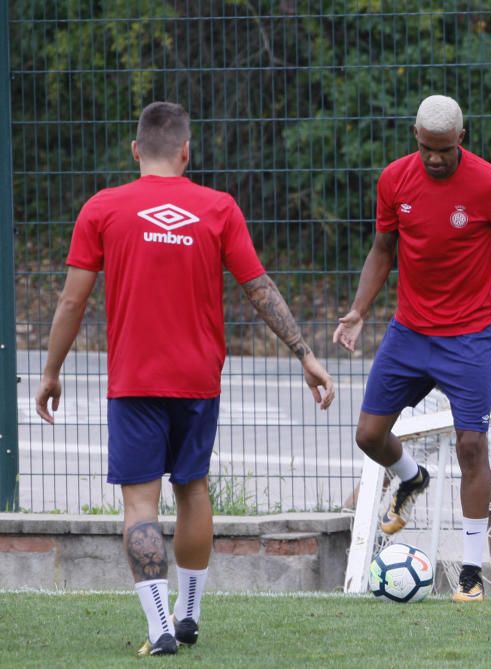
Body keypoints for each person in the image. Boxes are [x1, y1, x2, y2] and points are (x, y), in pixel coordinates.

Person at [34, 102, 335, 656]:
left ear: (135, 152)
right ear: (186, 152)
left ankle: (159, 628)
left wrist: (51, 372)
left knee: (140, 507)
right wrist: (305, 355)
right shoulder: (217, 207)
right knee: (192, 487)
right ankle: (188, 613)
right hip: (199, 378)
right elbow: (258, 287)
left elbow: (72, 299)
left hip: (134, 380)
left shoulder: (104, 208)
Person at [333, 95, 491, 602]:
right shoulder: (394, 180)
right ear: (416, 137)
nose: (435, 159)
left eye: (445, 150)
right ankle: (411, 479)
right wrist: (360, 310)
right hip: (409, 332)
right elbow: (382, 248)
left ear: (462, 140)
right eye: (427, 148)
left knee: (473, 447)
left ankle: (471, 574)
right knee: (369, 435)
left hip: (471, 336)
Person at [342, 257, 491, 562]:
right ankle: (348, 563)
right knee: (378, 472)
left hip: (484, 382)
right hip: (427, 385)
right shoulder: (427, 244)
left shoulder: (487, 250)